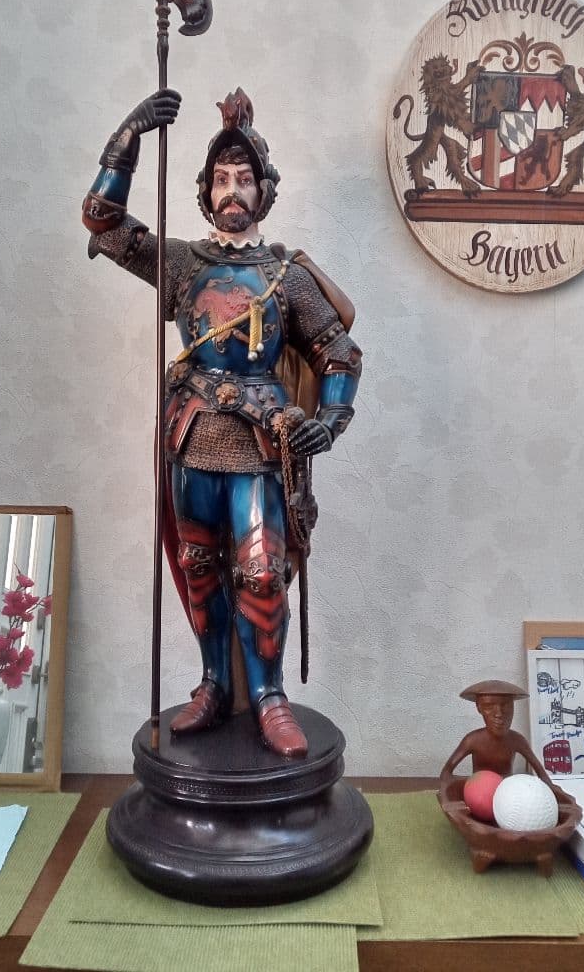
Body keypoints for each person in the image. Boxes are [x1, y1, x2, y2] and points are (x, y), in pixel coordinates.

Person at [82, 87, 362, 757]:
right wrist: (127, 138)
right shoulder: (185, 264)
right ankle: (213, 683)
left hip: (261, 439)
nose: (232, 189)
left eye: (244, 178)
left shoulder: (287, 277)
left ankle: (268, 697)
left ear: (264, 191)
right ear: (206, 192)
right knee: (198, 564)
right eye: (221, 178)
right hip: (193, 433)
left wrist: (330, 419)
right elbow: (103, 223)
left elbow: (339, 353)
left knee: (261, 572)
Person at [439, 680, 556, 796]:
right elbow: (446, 774)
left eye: (506, 706)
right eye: (489, 706)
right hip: (480, 793)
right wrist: (469, 784)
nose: (499, 714)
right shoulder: (472, 740)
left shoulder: (517, 740)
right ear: (479, 708)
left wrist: (552, 790)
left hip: (507, 793)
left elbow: (542, 775)